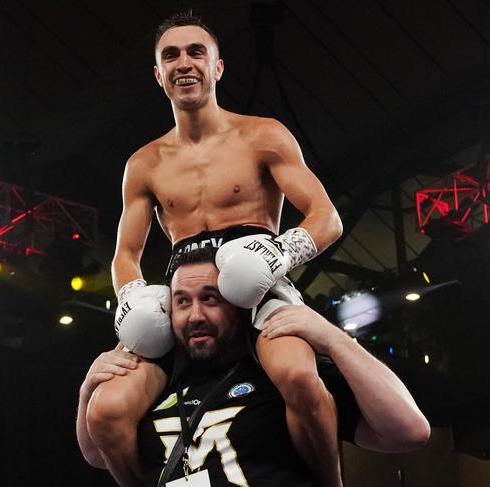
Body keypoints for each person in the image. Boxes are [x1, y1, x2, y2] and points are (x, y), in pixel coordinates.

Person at [89, 10, 343, 487]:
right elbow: (126, 254)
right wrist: (132, 299)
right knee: (106, 411)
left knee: (300, 378)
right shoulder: (143, 163)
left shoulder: (262, 135)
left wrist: (278, 255)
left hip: (258, 287)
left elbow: (326, 218)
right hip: (187, 299)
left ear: (218, 67)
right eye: (171, 55)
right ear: (158, 74)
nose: (184, 62)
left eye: (195, 51)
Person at [77, 248, 431, 486]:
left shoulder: (284, 376)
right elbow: (96, 455)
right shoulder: (157, 385)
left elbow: (408, 430)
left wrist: (333, 339)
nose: (195, 315)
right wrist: (87, 392)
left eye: (210, 299)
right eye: (182, 302)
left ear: (238, 304)